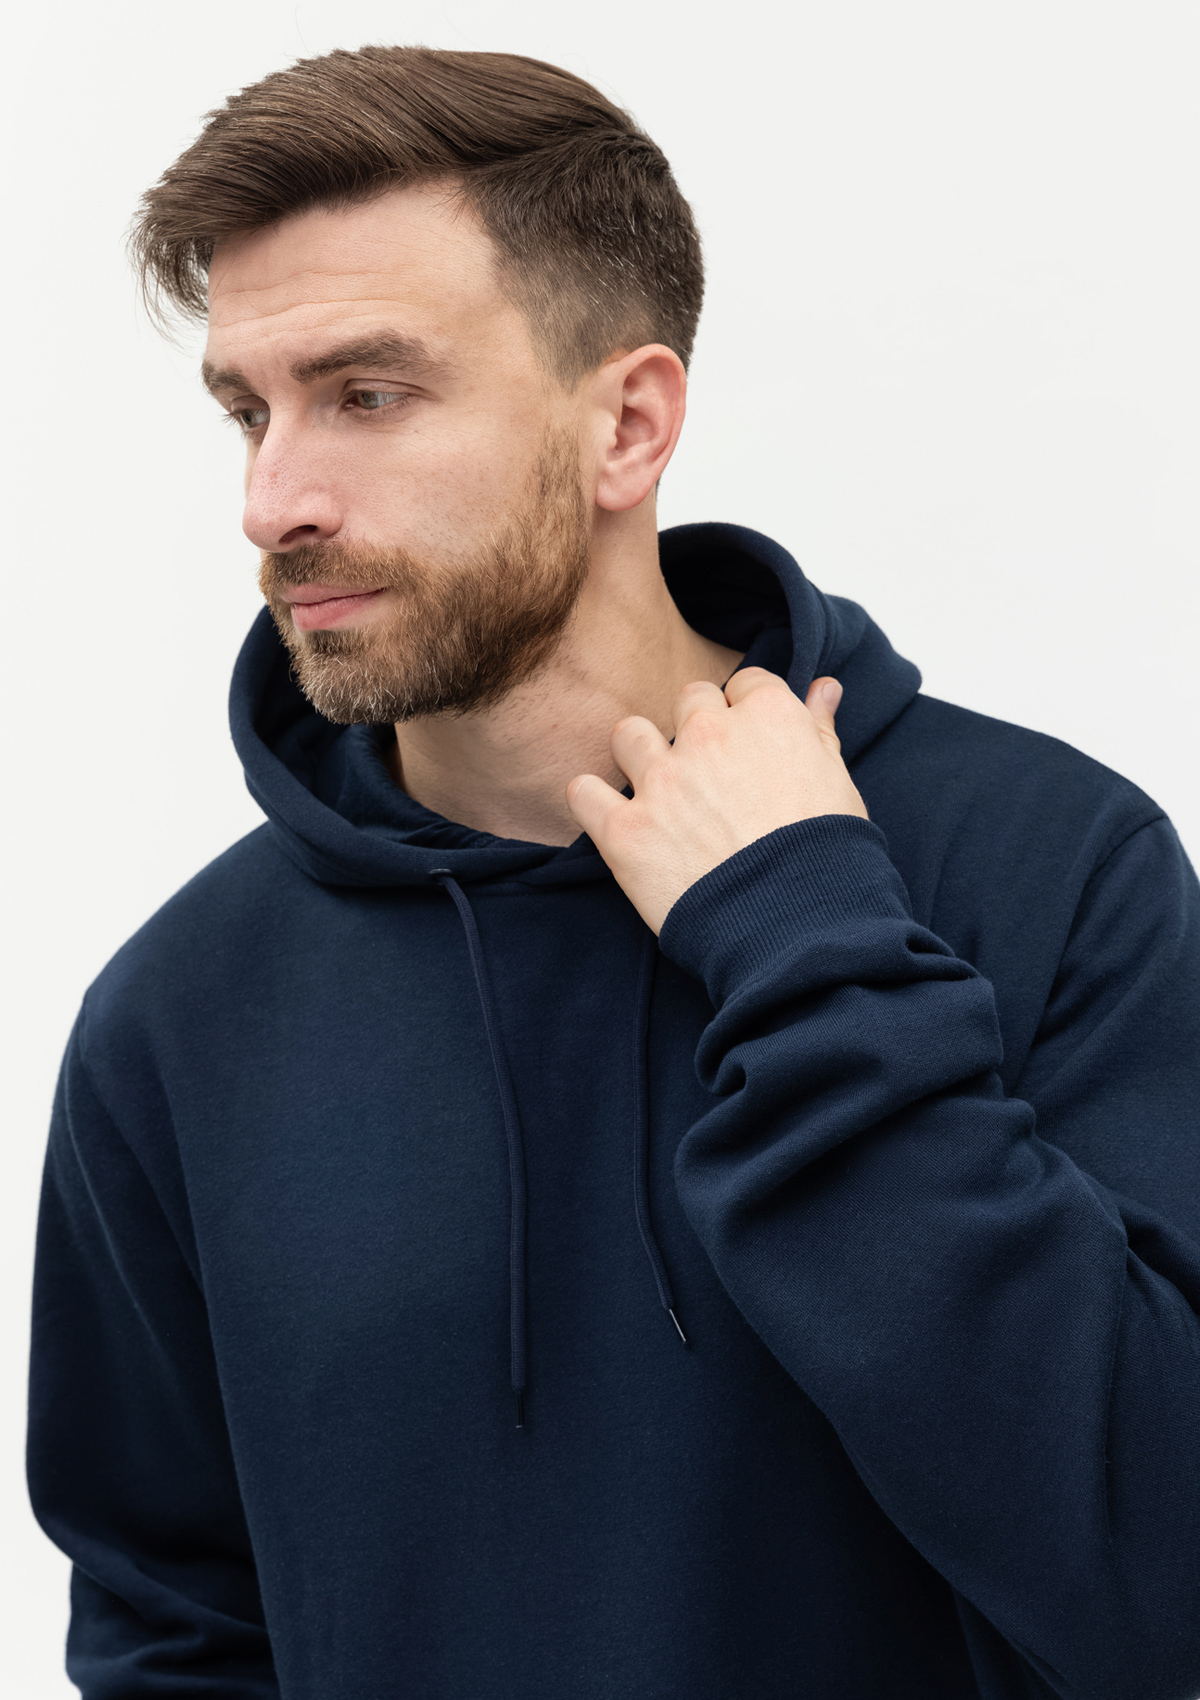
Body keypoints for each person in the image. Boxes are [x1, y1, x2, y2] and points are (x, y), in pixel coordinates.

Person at [26, 44, 1200, 1700]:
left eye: (367, 394)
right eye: (249, 411)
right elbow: (174, 1629)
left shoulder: (1044, 868)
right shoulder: (179, 1013)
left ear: (628, 425)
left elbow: (1163, 1587)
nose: (272, 500)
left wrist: (809, 941)